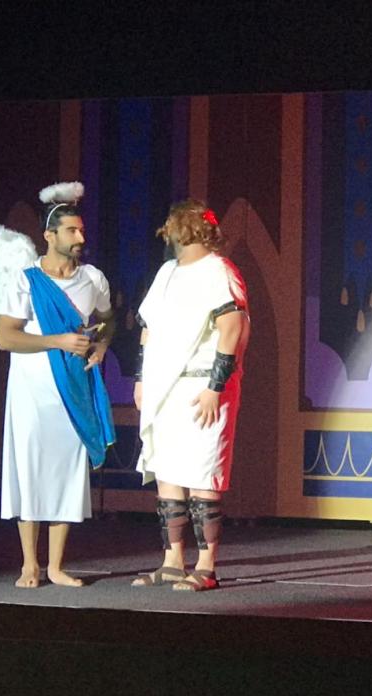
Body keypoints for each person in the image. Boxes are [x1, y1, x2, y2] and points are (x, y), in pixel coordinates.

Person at [0, 183, 115, 588]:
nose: (80, 237)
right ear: (49, 236)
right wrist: (58, 341)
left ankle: (56, 566)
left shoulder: (93, 279)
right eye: (71, 231)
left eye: (81, 230)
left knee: (67, 472)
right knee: (31, 471)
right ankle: (30, 564)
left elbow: (108, 320)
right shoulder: (25, 281)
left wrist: (101, 346)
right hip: (31, 392)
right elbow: (6, 338)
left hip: (73, 390)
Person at [131, 199, 249, 592]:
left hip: (203, 387)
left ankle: (206, 566)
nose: (168, 231)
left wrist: (216, 387)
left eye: (173, 224)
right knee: (168, 473)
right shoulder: (167, 273)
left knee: (202, 475)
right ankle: (172, 561)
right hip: (165, 387)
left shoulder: (219, 271)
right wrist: (141, 379)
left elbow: (231, 329)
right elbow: (148, 329)